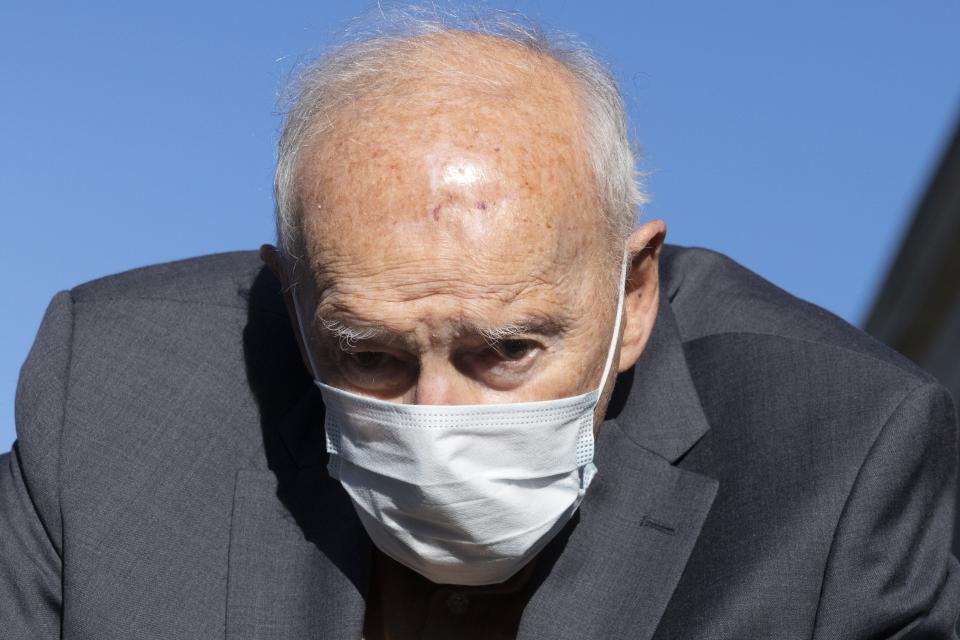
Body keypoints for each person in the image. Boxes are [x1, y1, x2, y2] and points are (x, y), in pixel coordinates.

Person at [2, 8, 958, 640]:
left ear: (631, 299)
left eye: (505, 350)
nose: (437, 420)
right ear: (292, 300)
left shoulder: (839, 462)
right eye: (369, 356)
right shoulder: (107, 400)